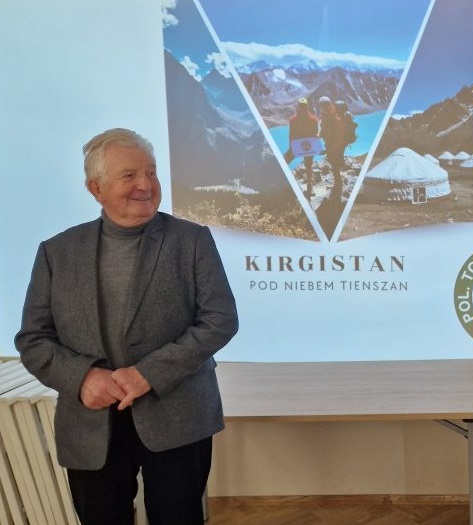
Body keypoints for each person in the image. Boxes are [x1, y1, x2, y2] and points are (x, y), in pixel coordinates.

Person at [15, 128, 239, 525]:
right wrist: (83, 378)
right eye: (129, 175)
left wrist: (147, 374)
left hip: (177, 417)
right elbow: (33, 339)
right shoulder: (56, 252)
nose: (146, 185)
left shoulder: (192, 240)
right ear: (95, 188)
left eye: (151, 172)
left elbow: (219, 320)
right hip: (91, 423)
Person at [283, 97, 319, 196]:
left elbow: (291, 135)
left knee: (284, 161)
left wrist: (291, 146)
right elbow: (316, 133)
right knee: (308, 166)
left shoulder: (293, 120)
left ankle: (309, 187)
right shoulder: (313, 119)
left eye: (303, 106)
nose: (302, 107)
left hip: (299, 145)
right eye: (301, 106)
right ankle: (309, 187)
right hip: (308, 146)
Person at [318, 96, 346, 202]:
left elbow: (339, 140)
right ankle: (337, 186)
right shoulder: (324, 117)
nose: (322, 108)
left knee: (335, 167)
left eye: (324, 106)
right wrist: (318, 136)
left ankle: (338, 191)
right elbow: (323, 130)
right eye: (321, 106)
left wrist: (328, 150)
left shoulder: (336, 119)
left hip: (337, 147)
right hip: (330, 146)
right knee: (334, 166)